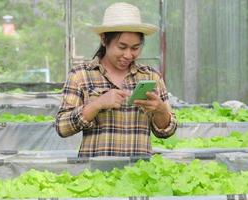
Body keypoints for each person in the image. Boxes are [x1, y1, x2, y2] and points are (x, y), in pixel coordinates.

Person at [56, 2, 177, 157]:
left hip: (138, 175)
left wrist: (161, 110)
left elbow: (167, 131)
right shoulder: (81, 75)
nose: (128, 55)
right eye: (122, 47)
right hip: (95, 176)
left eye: (135, 48)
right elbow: (62, 127)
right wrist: (97, 105)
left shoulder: (151, 76)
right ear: (104, 39)